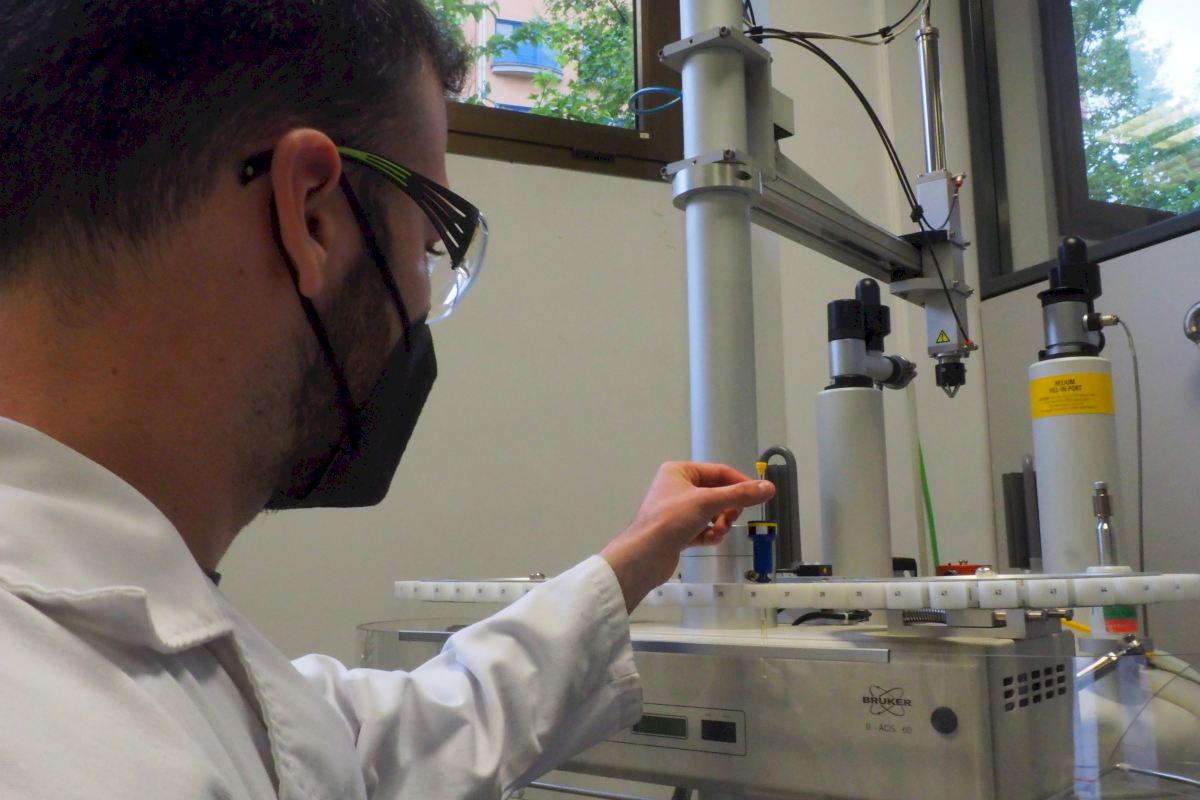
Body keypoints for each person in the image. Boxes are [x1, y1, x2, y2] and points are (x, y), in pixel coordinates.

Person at [0, 2, 774, 798]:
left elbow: (358, 748)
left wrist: (636, 556)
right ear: (311, 214)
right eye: (430, 245)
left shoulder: (116, 660)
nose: (420, 296)